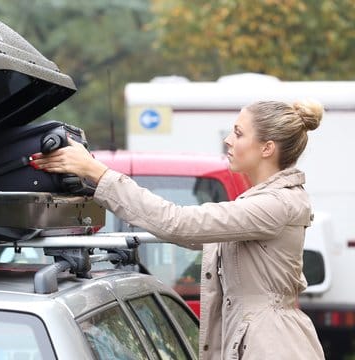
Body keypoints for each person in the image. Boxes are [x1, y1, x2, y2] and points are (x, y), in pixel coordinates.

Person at [31, 100, 325, 360]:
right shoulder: (266, 201)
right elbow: (184, 231)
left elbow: (179, 224)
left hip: (273, 347)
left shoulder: (275, 205)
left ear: (267, 148)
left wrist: (97, 172)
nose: (227, 140)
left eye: (238, 133)